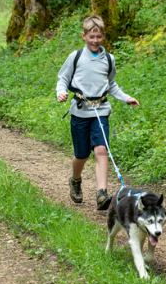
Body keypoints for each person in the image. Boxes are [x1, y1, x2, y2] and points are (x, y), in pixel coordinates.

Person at [56, 15, 140, 210]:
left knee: (101, 149)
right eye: (91, 36)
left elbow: (111, 85)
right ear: (84, 36)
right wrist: (61, 92)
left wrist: (126, 98)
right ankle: (75, 179)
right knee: (81, 155)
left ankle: (102, 193)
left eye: (99, 37)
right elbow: (62, 78)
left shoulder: (109, 59)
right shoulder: (75, 57)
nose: (95, 41)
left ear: (104, 37)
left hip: (100, 111)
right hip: (80, 111)